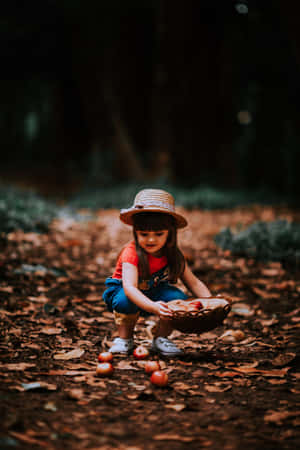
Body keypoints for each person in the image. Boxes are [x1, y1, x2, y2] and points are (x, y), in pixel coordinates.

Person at [102, 188, 212, 356]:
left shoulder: (173, 254)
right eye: (144, 234)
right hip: (125, 291)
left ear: (170, 233)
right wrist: (152, 306)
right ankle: (125, 339)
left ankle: (161, 338)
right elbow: (130, 288)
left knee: (178, 299)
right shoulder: (131, 253)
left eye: (159, 234)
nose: (151, 240)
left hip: (154, 291)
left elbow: (194, 282)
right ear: (135, 232)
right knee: (125, 300)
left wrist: (211, 304)